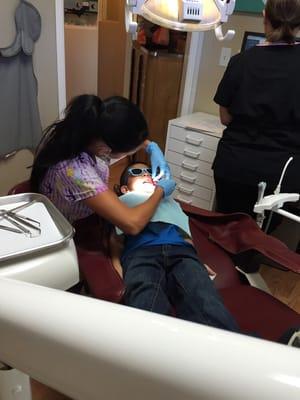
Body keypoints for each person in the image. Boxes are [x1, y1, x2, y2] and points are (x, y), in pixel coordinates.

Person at [30, 94, 176, 251]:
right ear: (106, 149)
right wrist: (160, 190)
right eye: (131, 149)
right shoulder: (76, 172)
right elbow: (132, 224)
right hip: (70, 232)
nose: (146, 175)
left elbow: (130, 136)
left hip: (92, 216)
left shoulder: (90, 129)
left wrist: (150, 147)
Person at [113, 162, 240, 333]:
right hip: (141, 253)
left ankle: (229, 352)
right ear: (125, 190)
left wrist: (198, 260)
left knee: (203, 296)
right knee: (146, 299)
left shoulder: (169, 203)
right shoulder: (123, 204)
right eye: (137, 172)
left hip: (181, 251)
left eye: (149, 171)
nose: (146, 174)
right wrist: (118, 269)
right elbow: (115, 242)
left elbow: (185, 234)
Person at [213, 0, 300, 223]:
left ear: (264, 16)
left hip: (233, 166)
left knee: (230, 228)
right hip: (280, 173)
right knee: (260, 236)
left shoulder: (241, 62)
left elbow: (225, 117)